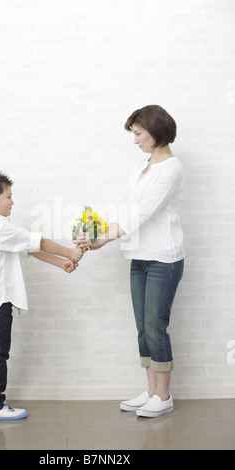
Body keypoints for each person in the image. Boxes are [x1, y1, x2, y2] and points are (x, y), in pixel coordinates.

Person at [76, 105, 185, 418]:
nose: (135, 140)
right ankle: (151, 391)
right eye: (134, 134)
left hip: (164, 258)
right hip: (139, 257)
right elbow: (128, 208)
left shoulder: (171, 170)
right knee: (143, 328)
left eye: (139, 133)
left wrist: (106, 238)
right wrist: (98, 234)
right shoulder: (143, 166)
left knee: (155, 326)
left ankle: (163, 397)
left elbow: (143, 213)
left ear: (157, 131)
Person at [0, 171, 83, 421]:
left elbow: (28, 247)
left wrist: (60, 263)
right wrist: (70, 253)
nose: (12, 202)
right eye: (8, 196)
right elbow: (39, 242)